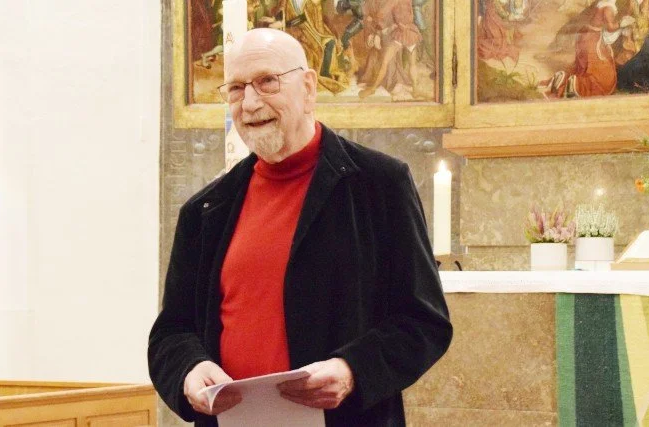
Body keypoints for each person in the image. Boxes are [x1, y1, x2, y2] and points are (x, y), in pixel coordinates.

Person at [148, 28, 452, 426]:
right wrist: (189, 369)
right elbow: (172, 332)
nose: (250, 103)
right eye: (236, 88)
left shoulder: (378, 185)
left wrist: (352, 370)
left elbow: (423, 321)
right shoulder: (206, 210)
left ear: (308, 88)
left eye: (267, 82)